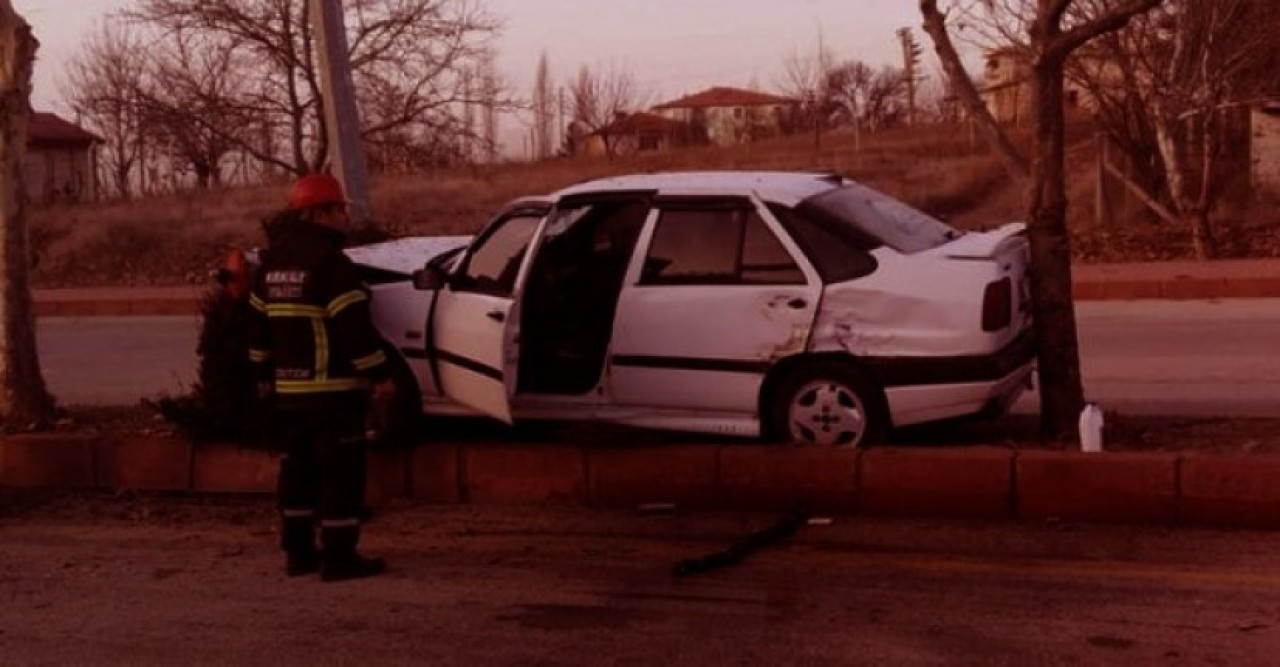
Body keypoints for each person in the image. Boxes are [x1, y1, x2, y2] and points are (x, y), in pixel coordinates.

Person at [246, 173, 396, 582]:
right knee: (340, 477)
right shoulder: (330, 263)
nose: (345, 218)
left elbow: (257, 329)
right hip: (334, 393)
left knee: (296, 473)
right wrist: (379, 374)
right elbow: (354, 329)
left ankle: (298, 555)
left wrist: (263, 374)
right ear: (320, 213)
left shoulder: (271, 262)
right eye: (339, 210)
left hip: (288, 394)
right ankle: (340, 558)